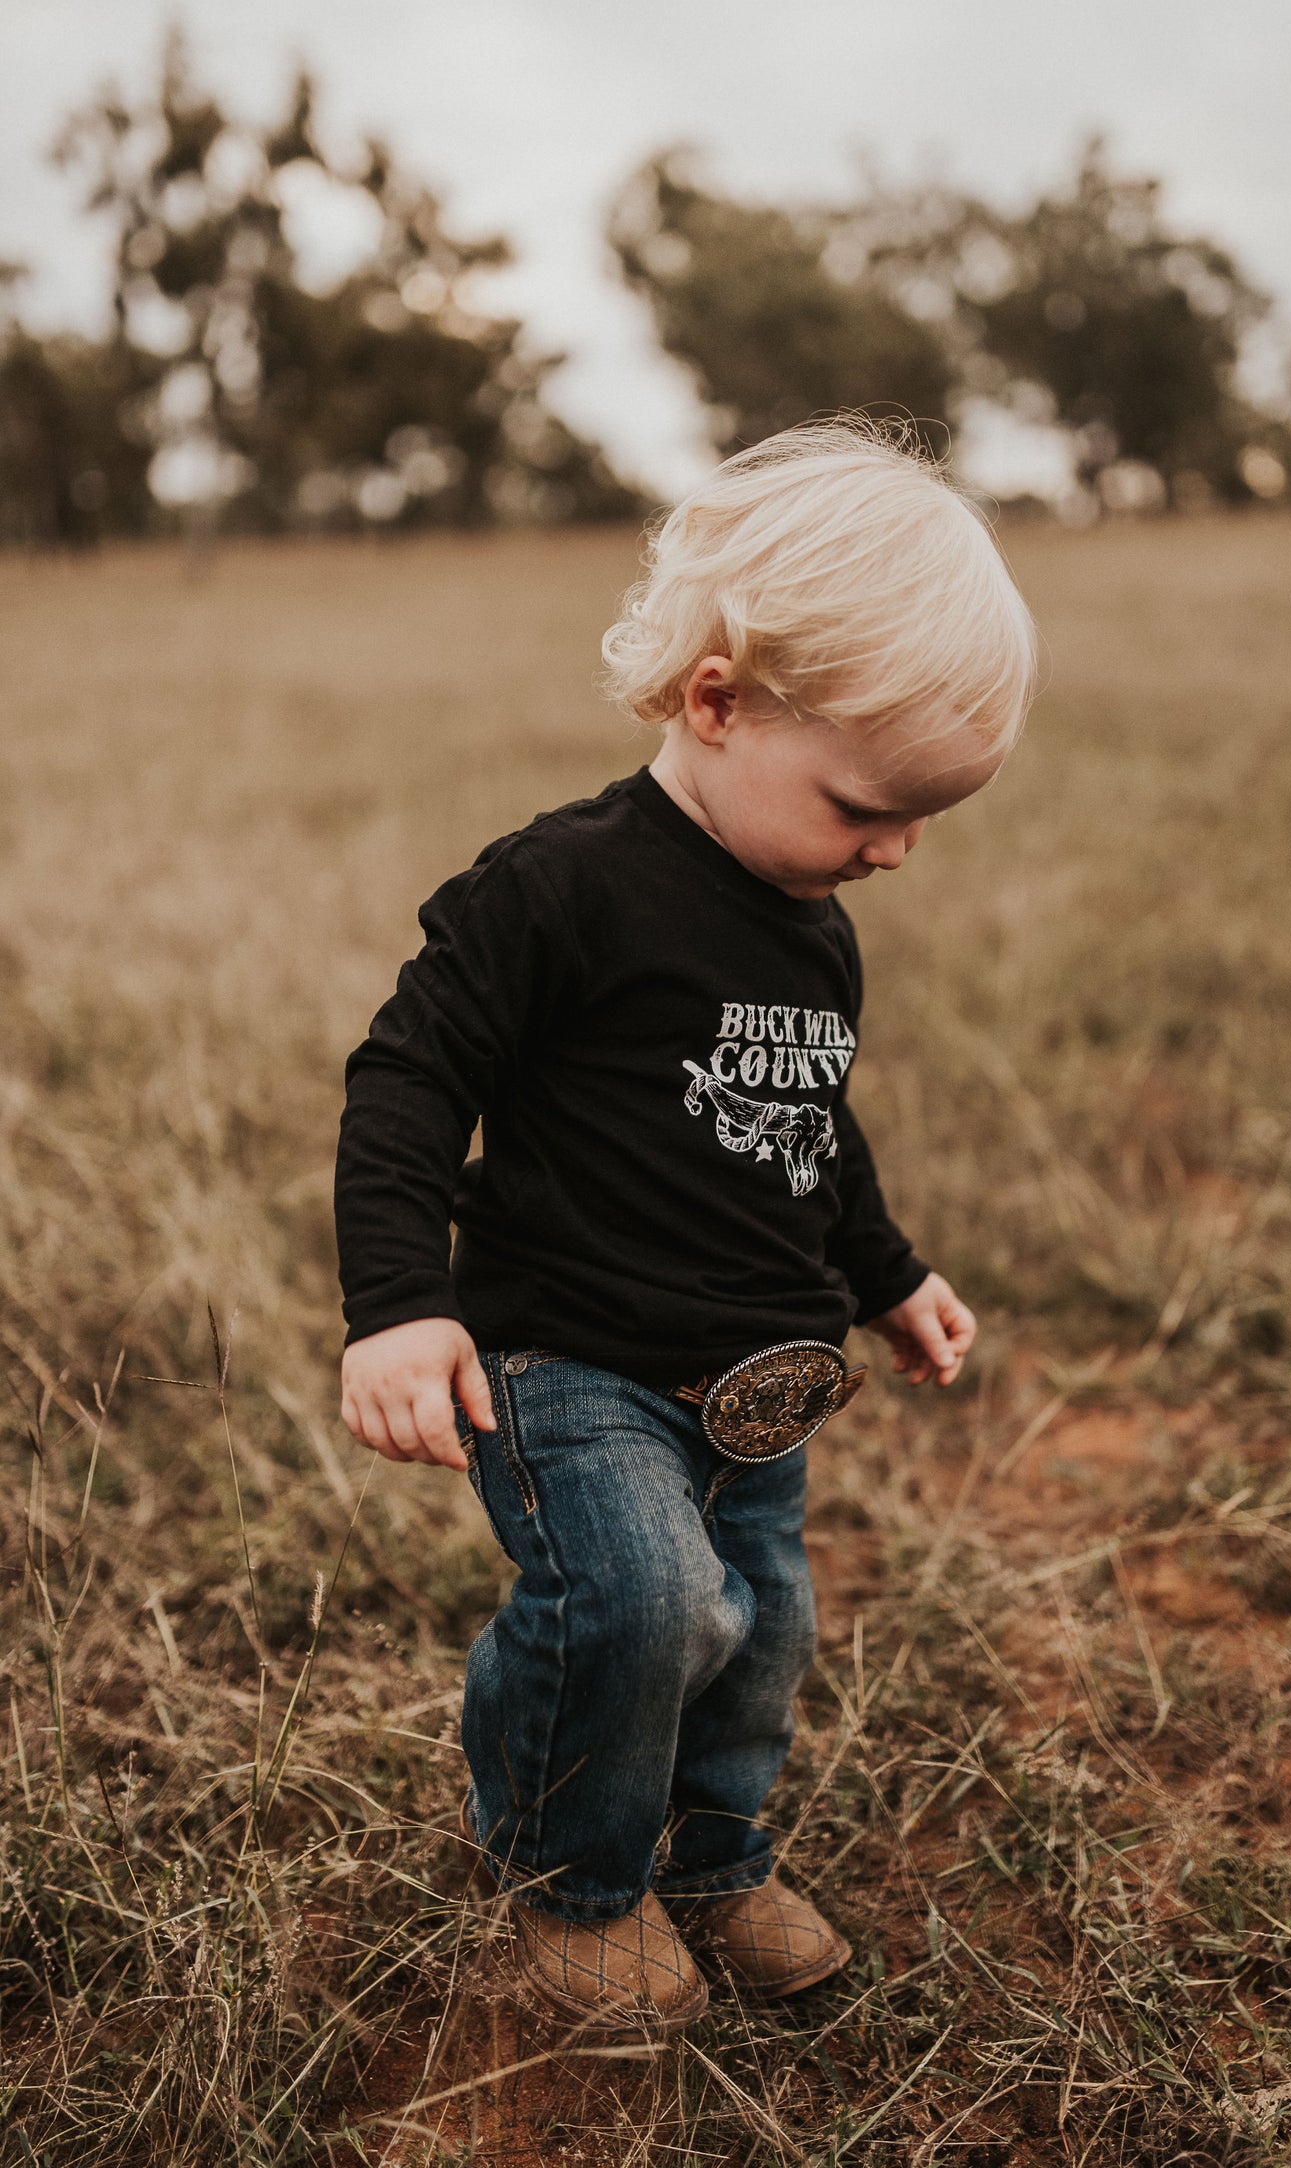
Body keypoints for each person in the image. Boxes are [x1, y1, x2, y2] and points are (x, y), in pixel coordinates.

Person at [334, 421, 1036, 2037]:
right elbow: (406, 1074)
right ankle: (570, 1878)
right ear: (715, 704)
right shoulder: (559, 890)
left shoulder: (811, 928)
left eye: (926, 820)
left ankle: (716, 1859)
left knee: (759, 1632)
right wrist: (397, 1305)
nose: (894, 852)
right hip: (566, 1365)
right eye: (868, 805)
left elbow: (812, 1129)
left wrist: (887, 1270)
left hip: (758, 1382)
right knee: (648, 1605)